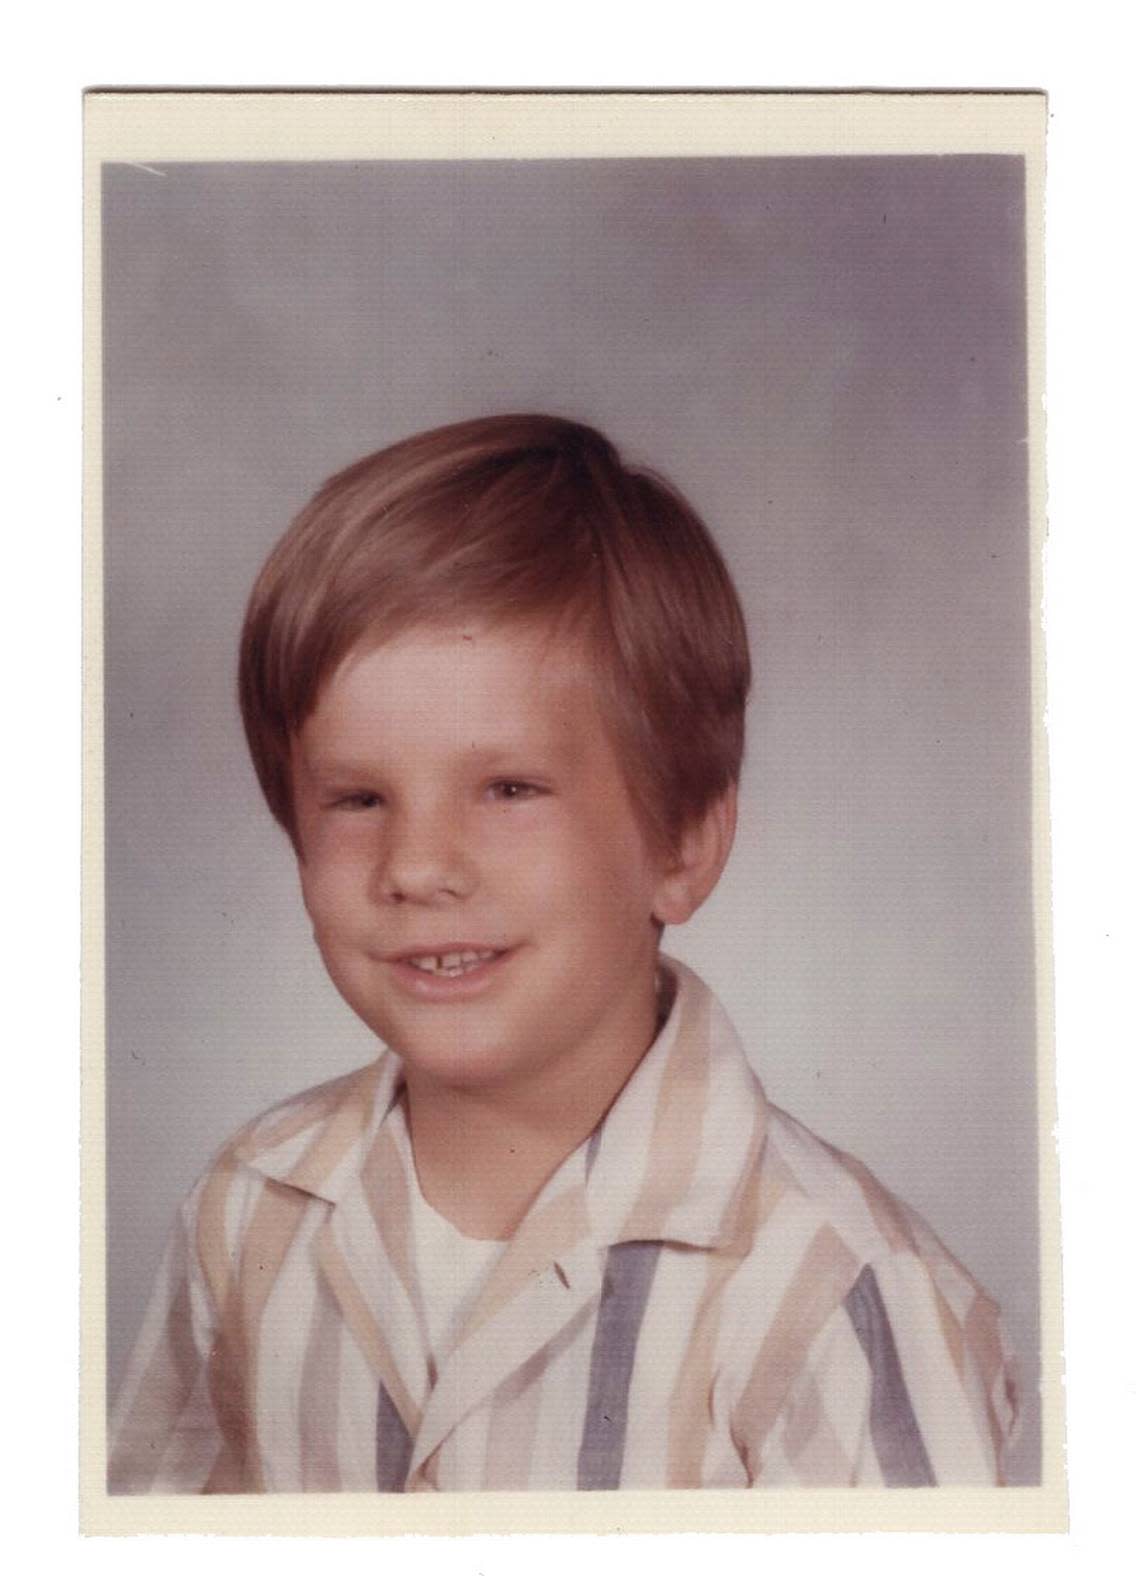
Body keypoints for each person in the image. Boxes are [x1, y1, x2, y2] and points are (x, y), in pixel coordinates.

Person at [109, 414, 1019, 1493]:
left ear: (680, 843)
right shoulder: (248, 1210)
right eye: (358, 798)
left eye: (508, 789)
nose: (417, 865)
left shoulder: (838, 1294)